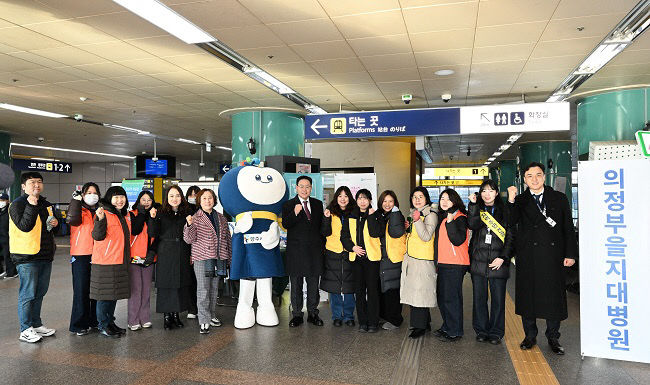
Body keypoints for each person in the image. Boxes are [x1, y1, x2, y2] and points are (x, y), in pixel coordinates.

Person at [507, 162, 577, 355]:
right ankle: (530, 335)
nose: (534, 179)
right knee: (528, 297)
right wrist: (511, 201)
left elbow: (567, 229)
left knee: (553, 297)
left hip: (552, 256)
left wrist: (570, 254)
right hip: (528, 256)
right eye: (530, 176)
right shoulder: (520, 200)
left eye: (538, 175)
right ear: (524, 179)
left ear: (545, 177)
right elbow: (511, 222)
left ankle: (553, 337)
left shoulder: (559, 198)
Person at [9, 172, 59, 343]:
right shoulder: (17, 204)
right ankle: (25, 329)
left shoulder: (46, 204)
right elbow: (24, 226)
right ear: (23, 186)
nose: (36, 185)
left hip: (45, 255)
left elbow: (51, 230)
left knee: (40, 292)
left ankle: (36, 324)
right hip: (26, 256)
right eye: (32, 182)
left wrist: (56, 224)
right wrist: (31, 205)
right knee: (28, 293)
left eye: (39, 182)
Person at [467, 180, 514, 345]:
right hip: (478, 262)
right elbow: (472, 225)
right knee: (479, 298)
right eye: (484, 191)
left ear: (496, 193)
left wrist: (503, 257)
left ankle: (496, 332)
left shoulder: (504, 211)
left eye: (491, 191)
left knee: (498, 300)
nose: (487, 194)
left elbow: (510, 237)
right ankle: (481, 330)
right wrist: (472, 205)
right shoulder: (477, 209)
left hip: (498, 262)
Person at [183, 189, 232, 334]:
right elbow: (188, 239)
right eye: (204, 198)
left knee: (214, 289)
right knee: (203, 289)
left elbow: (227, 239)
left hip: (219, 257)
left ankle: (212, 315)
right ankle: (204, 319)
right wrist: (189, 225)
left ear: (214, 200)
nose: (207, 201)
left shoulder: (221, 217)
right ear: (199, 201)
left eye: (210, 198)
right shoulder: (195, 218)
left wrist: (229, 257)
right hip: (202, 258)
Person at [281, 175, 325, 327]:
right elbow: (286, 224)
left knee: (313, 285)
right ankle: (297, 314)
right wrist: (295, 212)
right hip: (296, 253)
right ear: (296, 188)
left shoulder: (318, 204)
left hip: (314, 252)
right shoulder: (288, 205)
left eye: (307, 186)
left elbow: (321, 228)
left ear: (311, 188)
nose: (304, 189)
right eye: (301, 186)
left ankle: (313, 313)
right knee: (296, 285)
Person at [149, 185, 194, 330]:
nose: (175, 199)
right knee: (166, 284)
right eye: (171, 196)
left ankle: (176, 315)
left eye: (177, 195)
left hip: (182, 250)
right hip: (165, 251)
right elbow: (153, 233)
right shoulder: (160, 212)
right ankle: (167, 316)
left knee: (180, 283)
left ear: (182, 197)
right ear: (166, 198)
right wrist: (153, 219)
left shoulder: (187, 212)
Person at [91, 186, 133, 338]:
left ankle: (110, 322)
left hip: (120, 260)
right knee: (104, 296)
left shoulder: (122, 215)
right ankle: (102, 325)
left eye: (122, 197)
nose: (120, 200)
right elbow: (97, 235)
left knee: (113, 294)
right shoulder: (104, 213)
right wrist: (100, 220)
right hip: (105, 261)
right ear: (109, 198)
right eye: (116, 197)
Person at [401, 187, 438, 339]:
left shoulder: (431, 214)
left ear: (426, 198)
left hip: (423, 259)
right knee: (416, 292)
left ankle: (419, 327)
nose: (417, 199)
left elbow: (426, 236)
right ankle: (425, 323)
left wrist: (417, 221)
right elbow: (411, 235)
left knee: (420, 294)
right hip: (412, 258)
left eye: (420, 196)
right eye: (414, 197)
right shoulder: (413, 213)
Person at [367, 190, 406, 330]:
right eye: (385, 201)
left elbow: (396, 233)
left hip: (392, 259)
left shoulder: (397, 216)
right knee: (381, 288)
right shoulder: (378, 215)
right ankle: (384, 315)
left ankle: (395, 319)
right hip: (378, 258)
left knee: (392, 289)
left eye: (391, 201)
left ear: (395, 203)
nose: (387, 204)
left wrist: (395, 213)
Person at [434, 188, 470, 342]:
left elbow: (457, 239)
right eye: (442, 198)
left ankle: (455, 330)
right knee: (443, 298)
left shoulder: (460, 218)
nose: (444, 201)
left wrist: (450, 222)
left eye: (448, 199)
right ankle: (447, 326)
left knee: (451, 299)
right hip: (443, 263)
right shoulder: (443, 218)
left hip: (455, 264)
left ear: (455, 201)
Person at [67, 183, 100, 336]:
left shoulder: (100, 210)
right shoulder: (77, 209)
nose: (92, 195)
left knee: (96, 290)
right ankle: (78, 324)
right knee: (81, 290)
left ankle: (95, 320)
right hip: (81, 255)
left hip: (99, 255)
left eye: (95, 192)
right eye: (89, 192)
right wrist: (75, 201)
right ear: (83, 194)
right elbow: (73, 220)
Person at [321, 186, 357, 327]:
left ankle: (349, 316)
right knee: (334, 287)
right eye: (340, 196)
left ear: (349, 198)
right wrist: (325, 218)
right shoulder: (330, 212)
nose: (343, 199)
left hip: (350, 252)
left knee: (349, 286)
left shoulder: (354, 212)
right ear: (336, 198)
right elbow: (324, 232)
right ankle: (336, 316)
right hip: (333, 252)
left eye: (346, 196)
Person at [127, 191, 158, 331]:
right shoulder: (132, 214)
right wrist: (140, 214)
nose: (146, 202)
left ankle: (144, 318)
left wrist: (153, 251)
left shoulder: (155, 215)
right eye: (143, 199)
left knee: (146, 290)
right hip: (134, 257)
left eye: (149, 200)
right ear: (139, 201)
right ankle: (133, 320)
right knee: (135, 289)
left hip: (149, 257)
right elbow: (135, 230)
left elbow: (155, 234)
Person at [350, 189, 380, 333]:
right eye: (360, 198)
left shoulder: (376, 215)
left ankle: (373, 322)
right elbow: (344, 236)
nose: (362, 201)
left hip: (372, 258)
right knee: (359, 291)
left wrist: (372, 217)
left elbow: (376, 233)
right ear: (356, 201)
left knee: (373, 291)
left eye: (365, 198)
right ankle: (362, 322)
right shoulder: (352, 216)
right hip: (356, 259)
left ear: (369, 201)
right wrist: (353, 247)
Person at [184, 185, 201, 320]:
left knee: (200, 282)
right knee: (190, 281)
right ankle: (191, 308)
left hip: (201, 252)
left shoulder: (204, 211)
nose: (193, 197)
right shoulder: (186, 211)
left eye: (196, 195)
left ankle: (200, 308)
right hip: (188, 251)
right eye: (191, 195)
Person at [0, 192, 17, 279]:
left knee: (8, 255)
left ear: (7, 201)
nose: (1, 202)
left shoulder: (10, 210)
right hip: (0, 236)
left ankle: (12, 273)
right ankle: (1, 271)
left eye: (2, 200)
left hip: (7, 237)